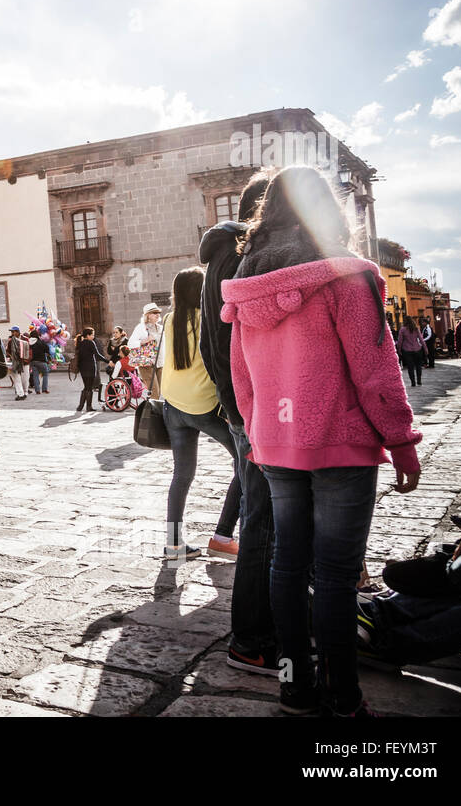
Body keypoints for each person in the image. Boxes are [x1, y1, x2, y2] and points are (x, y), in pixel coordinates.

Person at [224, 165, 422, 718]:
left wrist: (262, 430)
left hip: (277, 444)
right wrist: (402, 441)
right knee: (334, 577)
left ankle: (295, 686)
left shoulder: (247, 283)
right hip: (340, 441)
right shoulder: (346, 277)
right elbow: (375, 369)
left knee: (286, 568)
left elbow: (243, 377)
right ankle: (342, 696)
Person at [199, 169, 277, 675]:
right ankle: (253, 639)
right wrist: (244, 405)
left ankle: (263, 633)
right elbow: (232, 341)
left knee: (264, 516)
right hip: (254, 409)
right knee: (265, 522)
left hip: (242, 406)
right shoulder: (241, 255)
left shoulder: (222, 256)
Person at [158, 267, 242, 562]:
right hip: (203, 406)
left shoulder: (169, 320)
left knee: (181, 476)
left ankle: (173, 545)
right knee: (245, 464)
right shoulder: (210, 319)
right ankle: (223, 534)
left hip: (173, 405)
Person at [129, 303, 163, 394]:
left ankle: (152, 407)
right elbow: (130, 344)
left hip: (160, 363)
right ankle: (149, 408)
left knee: (160, 391)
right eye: (154, 312)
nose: (157, 314)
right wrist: (145, 340)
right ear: (147, 315)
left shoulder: (160, 328)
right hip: (146, 363)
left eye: (158, 312)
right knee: (154, 392)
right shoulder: (141, 328)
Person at [75, 327, 108, 412]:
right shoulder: (91, 343)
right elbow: (97, 355)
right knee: (89, 387)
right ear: (88, 335)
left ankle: (80, 406)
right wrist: (108, 361)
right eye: (92, 334)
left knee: (86, 386)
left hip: (82, 368)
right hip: (90, 367)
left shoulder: (80, 343)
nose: (93, 336)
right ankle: (88, 407)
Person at [396, 316, 425, 387]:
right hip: (417, 349)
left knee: (410, 367)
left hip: (407, 350)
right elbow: (421, 339)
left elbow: (400, 341)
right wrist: (425, 348)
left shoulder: (402, 329)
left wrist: (399, 350)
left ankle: (413, 382)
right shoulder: (416, 329)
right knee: (418, 366)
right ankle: (419, 380)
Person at [6, 326, 29, 400]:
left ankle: (25, 392)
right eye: (12, 332)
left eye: (14, 332)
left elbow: (29, 350)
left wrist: (26, 359)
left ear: (18, 332)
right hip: (16, 362)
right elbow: (8, 351)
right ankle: (20, 394)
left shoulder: (25, 339)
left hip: (25, 362)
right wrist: (11, 357)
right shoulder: (11, 341)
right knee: (16, 378)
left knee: (25, 379)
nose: (12, 333)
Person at [28, 328, 50, 394]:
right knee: (45, 374)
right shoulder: (40, 342)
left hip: (32, 361)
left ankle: (37, 390)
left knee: (35, 375)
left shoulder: (29, 342)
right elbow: (47, 349)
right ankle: (44, 389)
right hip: (42, 361)